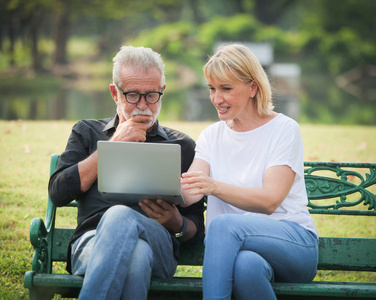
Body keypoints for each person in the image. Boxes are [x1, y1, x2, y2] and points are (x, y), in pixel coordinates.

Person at [48, 45, 205, 300]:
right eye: (132, 95)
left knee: (122, 217)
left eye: (151, 95)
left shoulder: (182, 146)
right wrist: (111, 148)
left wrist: (176, 223)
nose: (143, 105)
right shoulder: (87, 132)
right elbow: (58, 193)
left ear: (162, 91)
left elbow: (196, 228)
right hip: (91, 243)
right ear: (115, 93)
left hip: (160, 248)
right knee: (136, 257)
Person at [180, 43, 319, 300]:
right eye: (212, 89)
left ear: (253, 87)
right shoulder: (211, 135)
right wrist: (156, 187)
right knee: (245, 267)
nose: (216, 99)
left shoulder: (284, 129)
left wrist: (214, 186)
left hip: (294, 244)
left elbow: (269, 201)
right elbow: (189, 192)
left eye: (226, 89)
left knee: (222, 226)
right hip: (243, 251)